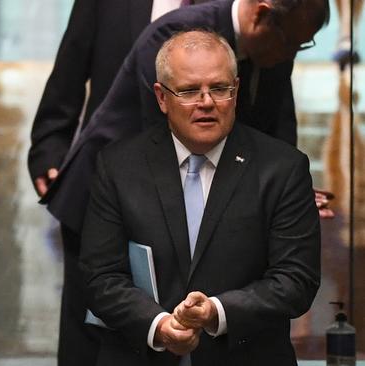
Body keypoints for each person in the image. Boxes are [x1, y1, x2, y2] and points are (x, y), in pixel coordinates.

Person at [79, 30, 320, 365]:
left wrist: (215, 312)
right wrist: (160, 326)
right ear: (162, 98)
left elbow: (296, 280)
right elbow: (99, 276)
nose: (207, 102)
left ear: (235, 92)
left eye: (219, 89)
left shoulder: (282, 168)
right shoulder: (118, 166)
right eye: (190, 91)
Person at [40, 0, 330, 242]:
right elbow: (175, 150)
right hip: (104, 206)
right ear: (261, 14)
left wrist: (285, 190)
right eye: (290, 43)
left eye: (301, 46)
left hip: (177, 201)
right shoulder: (177, 37)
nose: (291, 54)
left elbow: (270, 127)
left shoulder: (277, 42)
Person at [28, 1, 216, 364]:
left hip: (202, 189)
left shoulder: (233, 10)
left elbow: (266, 88)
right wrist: (50, 151)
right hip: (104, 186)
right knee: (91, 330)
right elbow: (70, 68)